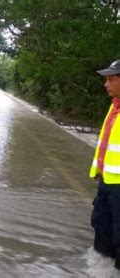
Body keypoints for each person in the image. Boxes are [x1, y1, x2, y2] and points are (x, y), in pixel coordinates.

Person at [90, 59, 120, 268]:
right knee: (101, 226)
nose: (106, 84)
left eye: (112, 79)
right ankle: (100, 268)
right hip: (107, 181)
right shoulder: (115, 106)